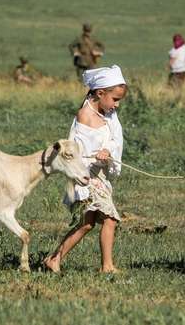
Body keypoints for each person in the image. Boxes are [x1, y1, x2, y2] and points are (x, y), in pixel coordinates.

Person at [44, 65, 126, 274]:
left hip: (100, 175)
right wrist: (96, 155)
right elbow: (78, 151)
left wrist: (107, 150)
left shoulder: (108, 114)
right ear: (100, 93)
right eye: (115, 99)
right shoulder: (85, 116)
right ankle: (107, 266)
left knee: (86, 224)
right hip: (87, 177)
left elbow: (113, 139)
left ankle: (54, 259)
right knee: (110, 219)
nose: (116, 105)